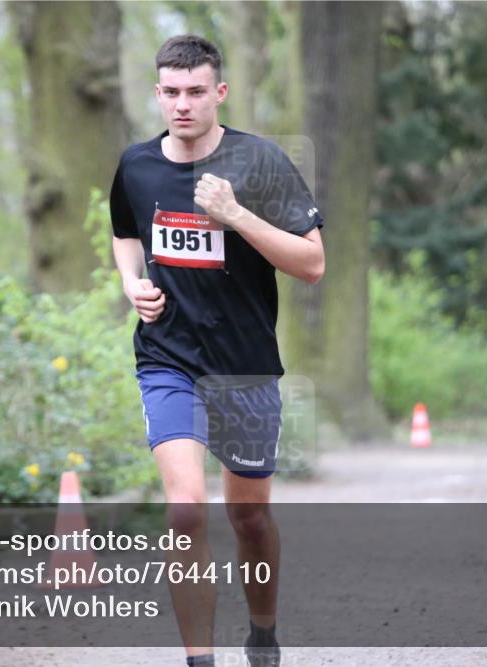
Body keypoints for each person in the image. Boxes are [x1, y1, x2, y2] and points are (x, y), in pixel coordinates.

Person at [109, 35, 325, 667]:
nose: (183, 105)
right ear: (157, 94)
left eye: (196, 92)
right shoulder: (137, 165)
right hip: (167, 358)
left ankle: (262, 630)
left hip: (245, 367)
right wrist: (131, 283)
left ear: (219, 93)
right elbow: (125, 232)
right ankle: (198, 659)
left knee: (249, 516)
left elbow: (312, 264)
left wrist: (238, 217)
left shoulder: (259, 162)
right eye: (171, 93)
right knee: (185, 510)